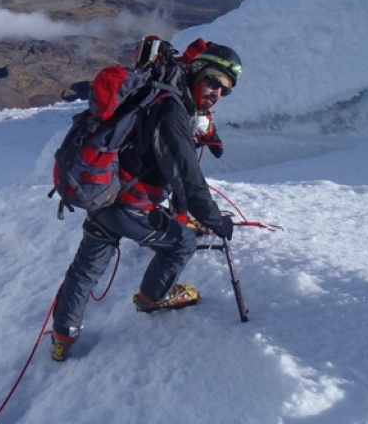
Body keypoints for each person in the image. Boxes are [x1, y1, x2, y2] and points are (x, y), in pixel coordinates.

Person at [50, 42, 242, 362]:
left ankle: (62, 336)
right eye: (214, 82)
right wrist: (214, 220)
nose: (218, 93)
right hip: (130, 205)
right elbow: (188, 177)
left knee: (85, 270)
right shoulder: (171, 110)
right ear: (197, 72)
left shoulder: (162, 91)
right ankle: (152, 298)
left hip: (102, 192)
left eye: (226, 90)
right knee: (181, 243)